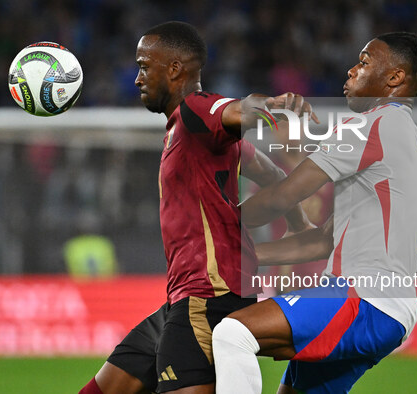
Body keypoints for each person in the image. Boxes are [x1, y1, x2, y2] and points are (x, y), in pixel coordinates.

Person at [79, 21, 314, 394]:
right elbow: (266, 169)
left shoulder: (196, 110)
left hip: (208, 298)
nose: (137, 78)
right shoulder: (186, 129)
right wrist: (299, 221)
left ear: (174, 69)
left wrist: (266, 107)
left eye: (144, 66)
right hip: (184, 299)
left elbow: (236, 109)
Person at [212, 32, 417, 394]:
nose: (351, 70)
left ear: (395, 78)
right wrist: (247, 254)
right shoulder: (407, 138)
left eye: (365, 62)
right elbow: (323, 240)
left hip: (363, 298)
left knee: (232, 333)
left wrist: (216, 224)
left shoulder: (373, 124)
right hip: (389, 308)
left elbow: (284, 195)